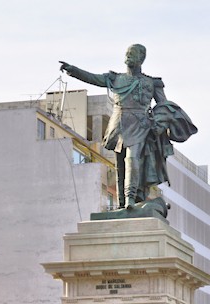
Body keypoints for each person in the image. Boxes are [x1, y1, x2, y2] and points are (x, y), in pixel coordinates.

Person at [60, 44, 197, 210]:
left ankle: (130, 198)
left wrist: (159, 124)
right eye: (127, 54)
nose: (128, 56)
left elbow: (163, 106)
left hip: (140, 124)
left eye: (132, 54)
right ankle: (123, 202)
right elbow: (93, 78)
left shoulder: (152, 83)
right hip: (118, 124)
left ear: (141, 58)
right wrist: (73, 70)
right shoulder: (115, 78)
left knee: (132, 159)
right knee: (120, 163)